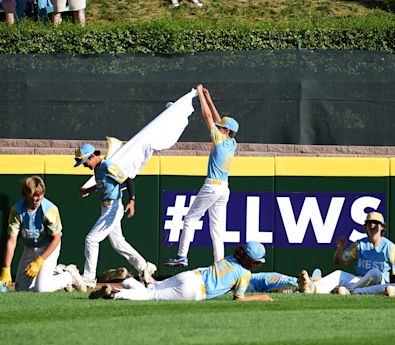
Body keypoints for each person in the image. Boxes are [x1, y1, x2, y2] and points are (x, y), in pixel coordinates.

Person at [166, 84, 239, 267]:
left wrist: (199, 94)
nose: (218, 127)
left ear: (225, 131)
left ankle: (182, 256)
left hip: (212, 186)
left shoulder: (220, 139)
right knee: (217, 229)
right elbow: (217, 119)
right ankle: (219, 263)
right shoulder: (232, 142)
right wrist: (209, 98)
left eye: (222, 127)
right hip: (224, 188)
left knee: (190, 219)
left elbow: (208, 117)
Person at [74, 143, 157, 288]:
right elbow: (104, 184)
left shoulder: (107, 166)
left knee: (91, 239)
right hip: (106, 207)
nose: (84, 165)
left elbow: (127, 180)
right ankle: (144, 267)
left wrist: (132, 201)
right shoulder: (98, 169)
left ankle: (89, 278)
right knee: (119, 244)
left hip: (113, 207)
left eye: (85, 161)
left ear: (92, 156)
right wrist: (89, 189)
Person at [89, 241, 273, 302]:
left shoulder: (230, 258)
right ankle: (114, 292)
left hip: (191, 275)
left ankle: (126, 278)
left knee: (152, 290)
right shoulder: (245, 273)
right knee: (151, 296)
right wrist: (261, 297)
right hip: (195, 291)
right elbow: (238, 299)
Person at [0, 176, 86, 292]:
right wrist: (6, 268)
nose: (38, 198)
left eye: (40, 194)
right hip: (30, 247)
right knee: (21, 289)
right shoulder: (17, 210)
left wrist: (40, 261)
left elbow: (56, 238)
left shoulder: (50, 209)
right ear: (26, 194)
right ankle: (55, 272)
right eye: (35, 195)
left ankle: (68, 276)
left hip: (48, 247)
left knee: (42, 289)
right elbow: (11, 240)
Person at [299, 212, 395, 295]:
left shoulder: (389, 246)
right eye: (369, 223)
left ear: (382, 227)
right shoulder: (360, 244)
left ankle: (348, 290)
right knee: (339, 274)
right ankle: (312, 288)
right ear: (365, 227)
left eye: (376, 223)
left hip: (379, 284)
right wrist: (340, 248)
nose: (372, 226)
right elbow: (339, 260)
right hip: (360, 282)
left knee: (375, 272)